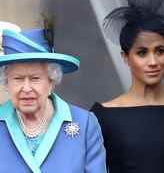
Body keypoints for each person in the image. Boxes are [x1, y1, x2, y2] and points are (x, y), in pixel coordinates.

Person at [91, 0, 164, 173]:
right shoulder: (102, 116)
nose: (153, 61)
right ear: (125, 57)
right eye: (142, 53)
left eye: (160, 51)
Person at [0, 27, 107, 172]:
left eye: (35, 78)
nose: (26, 88)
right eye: (18, 79)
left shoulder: (85, 124)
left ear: (51, 81)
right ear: (6, 83)